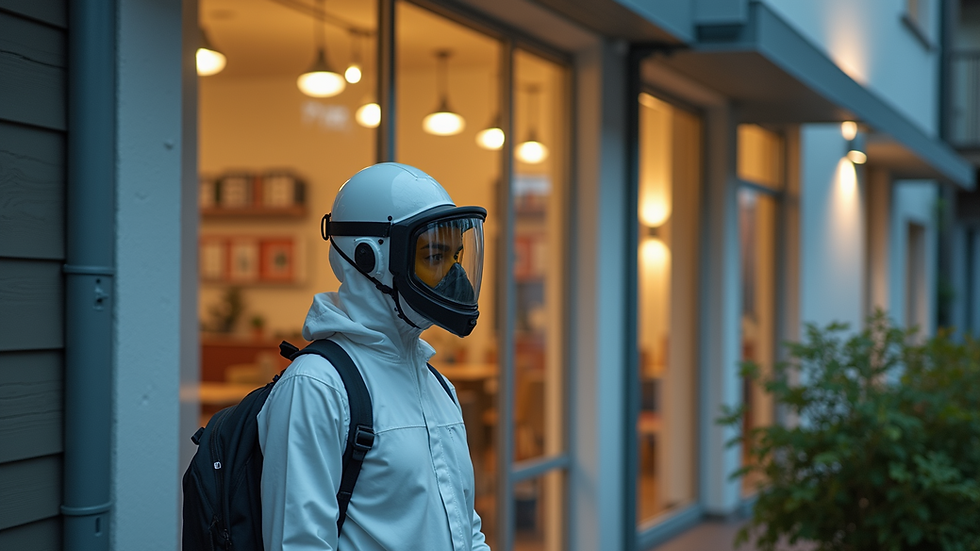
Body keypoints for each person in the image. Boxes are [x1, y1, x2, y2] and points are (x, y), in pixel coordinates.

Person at [257, 162, 492, 551]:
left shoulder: (439, 386)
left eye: (457, 257)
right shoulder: (317, 387)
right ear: (368, 257)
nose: (455, 278)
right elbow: (297, 544)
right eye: (434, 256)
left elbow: (467, 530)